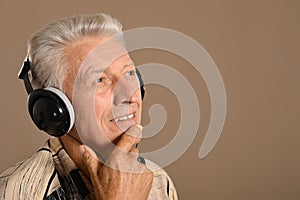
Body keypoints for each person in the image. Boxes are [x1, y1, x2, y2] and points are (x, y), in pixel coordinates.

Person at [0, 13, 177, 199]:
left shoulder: (158, 181)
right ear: (56, 107)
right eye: (100, 80)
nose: (129, 95)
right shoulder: (14, 193)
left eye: (129, 74)